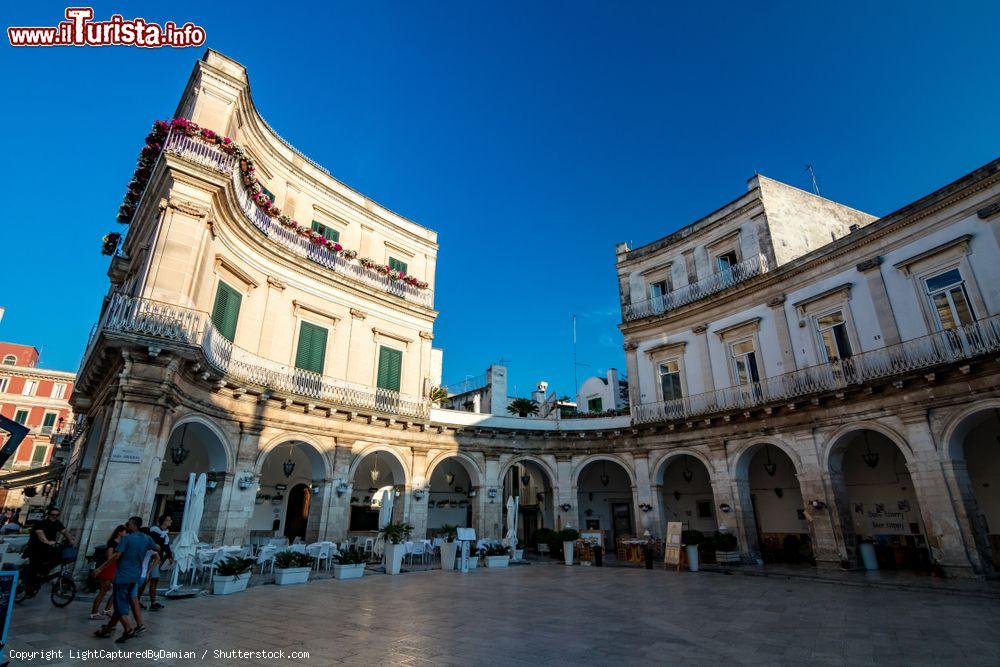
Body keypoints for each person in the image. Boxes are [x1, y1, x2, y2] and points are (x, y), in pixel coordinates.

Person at [94, 516, 158, 643]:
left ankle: (128, 629)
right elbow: (157, 548)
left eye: (128, 524)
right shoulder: (147, 538)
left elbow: (116, 555)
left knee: (119, 603)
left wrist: (100, 568)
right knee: (123, 602)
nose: (127, 526)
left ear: (134, 525)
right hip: (136, 576)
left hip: (123, 575)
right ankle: (107, 629)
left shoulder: (127, 538)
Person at [24, 507, 75, 594]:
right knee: (35, 566)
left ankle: (43, 573)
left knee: (59, 556)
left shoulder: (57, 523)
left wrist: (71, 540)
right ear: (48, 515)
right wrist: (47, 541)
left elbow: (65, 531)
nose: (55, 517)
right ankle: (29, 587)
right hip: (36, 548)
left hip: (48, 549)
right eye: (53, 515)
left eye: (57, 515)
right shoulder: (40, 523)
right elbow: (40, 534)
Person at [90, 525, 125, 620]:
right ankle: (94, 612)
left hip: (116, 567)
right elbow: (109, 556)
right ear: (120, 532)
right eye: (125, 532)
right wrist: (118, 554)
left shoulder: (122, 542)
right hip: (109, 567)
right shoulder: (112, 542)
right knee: (103, 590)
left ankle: (107, 609)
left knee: (117, 589)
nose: (126, 534)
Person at [139, 514, 172, 611]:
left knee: (154, 579)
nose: (170, 522)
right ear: (164, 521)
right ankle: (137, 600)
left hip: (156, 558)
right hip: (150, 558)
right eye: (168, 520)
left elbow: (166, 546)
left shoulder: (164, 533)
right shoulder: (154, 530)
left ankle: (153, 602)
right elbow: (155, 544)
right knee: (146, 580)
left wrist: (170, 556)